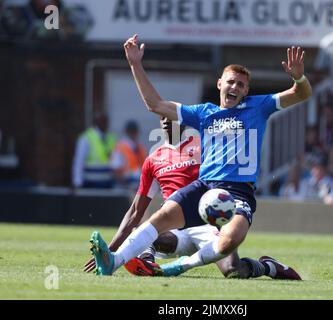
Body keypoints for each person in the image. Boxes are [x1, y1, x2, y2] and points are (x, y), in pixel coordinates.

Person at [89, 34, 311, 277]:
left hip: (237, 192)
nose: (234, 87)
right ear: (219, 84)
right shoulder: (204, 113)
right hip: (203, 188)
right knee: (160, 217)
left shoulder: (259, 106)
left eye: (240, 84)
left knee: (230, 249)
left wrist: (298, 77)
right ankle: (114, 261)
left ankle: (184, 266)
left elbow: (301, 94)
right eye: (230, 82)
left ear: (246, 90)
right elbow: (155, 104)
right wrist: (135, 64)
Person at [84, 117, 300, 280]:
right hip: (175, 226)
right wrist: (111, 249)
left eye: (173, 116)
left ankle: (266, 266)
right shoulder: (153, 159)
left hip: (208, 221)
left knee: (233, 271)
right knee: (147, 230)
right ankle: (143, 261)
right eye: (163, 116)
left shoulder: (203, 146)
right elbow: (135, 211)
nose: (167, 121)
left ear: (183, 119)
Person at [71, 111, 117, 189]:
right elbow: (79, 161)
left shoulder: (111, 138)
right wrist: (77, 182)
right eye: (102, 121)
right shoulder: (86, 138)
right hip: (91, 184)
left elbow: (115, 162)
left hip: (107, 184)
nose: (104, 123)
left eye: (106, 121)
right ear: (96, 122)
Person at [111, 120, 147, 190]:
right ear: (127, 132)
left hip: (139, 184)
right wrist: (124, 184)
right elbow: (116, 169)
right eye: (131, 131)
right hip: (126, 184)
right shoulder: (120, 147)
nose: (133, 133)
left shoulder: (140, 147)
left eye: (134, 131)